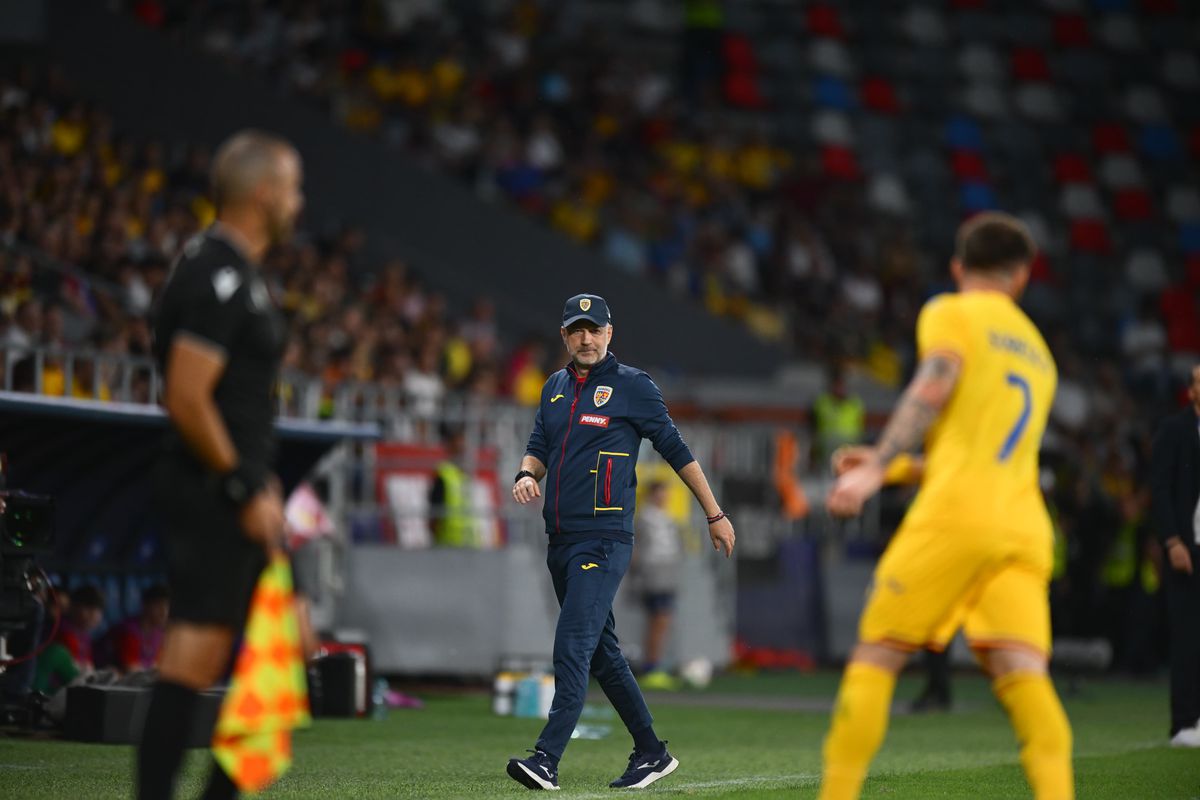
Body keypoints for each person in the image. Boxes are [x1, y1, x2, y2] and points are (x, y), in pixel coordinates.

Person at [820, 212, 1073, 800]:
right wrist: (895, 469)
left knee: (877, 655)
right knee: (1024, 675)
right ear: (1023, 277)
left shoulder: (951, 312)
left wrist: (878, 466)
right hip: (1025, 527)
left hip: (958, 515)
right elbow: (983, 450)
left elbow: (932, 386)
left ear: (960, 267)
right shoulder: (1040, 353)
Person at [507, 293, 735, 791]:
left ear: (611, 333)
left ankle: (546, 758)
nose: (586, 338)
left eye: (595, 329)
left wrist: (714, 513)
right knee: (601, 652)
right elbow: (538, 446)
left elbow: (676, 449)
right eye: (576, 330)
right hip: (561, 540)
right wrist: (527, 473)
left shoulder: (634, 387)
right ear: (564, 336)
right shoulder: (554, 388)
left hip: (604, 540)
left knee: (573, 643)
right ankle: (651, 752)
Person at [137, 130, 302, 800]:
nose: (299, 200)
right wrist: (241, 486)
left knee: (272, 659)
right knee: (201, 654)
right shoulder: (217, 273)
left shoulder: (241, 273)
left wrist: (259, 480)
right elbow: (185, 395)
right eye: (292, 186)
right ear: (262, 193)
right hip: (213, 491)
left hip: (236, 487)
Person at [1150, 363, 1200, 747]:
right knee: (1186, 637)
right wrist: (1171, 541)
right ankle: (1184, 723)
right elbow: (1161, 490)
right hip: (1187, 548)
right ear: (1191, 390)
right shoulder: (1175, 430)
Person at [631, 480, 682, 689]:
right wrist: (638, 574)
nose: (664, 497)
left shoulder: (668, 518)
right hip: (653, 575)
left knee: (662, 621)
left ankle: (654, 664)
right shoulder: (644, 518)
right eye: (660, 493)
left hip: (667, 575)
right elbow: (636, 548)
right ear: (652, 495)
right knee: (658, 621)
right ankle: (651, 666)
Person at [33, 584, 104, 694]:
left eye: (98, 610)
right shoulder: (61, 629)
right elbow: (73, 673)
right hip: (48, 690)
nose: (94, 615)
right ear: (73, 606)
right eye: (88, 608)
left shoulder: (84, 635)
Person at [428, 422, 479, 547]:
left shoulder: (464, 475)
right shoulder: (443, 475)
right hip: (447, 545)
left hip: (468, 545)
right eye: (458, 443)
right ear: (450, 447)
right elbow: (434, 514)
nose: (462, 447)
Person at [100, 584, 169, 674]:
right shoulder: (129, 630)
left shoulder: (159, 634)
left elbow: (157, 665)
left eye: (167, 607)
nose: (164, 612)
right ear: (145, 605)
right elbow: (130, 669)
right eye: (159, 606)